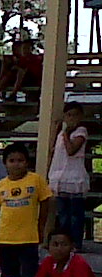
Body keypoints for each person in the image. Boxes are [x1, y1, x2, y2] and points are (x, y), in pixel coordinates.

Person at [0, 142, 53, 277]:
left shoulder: (36, 180)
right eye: (12, 161)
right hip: (5, 238)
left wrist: (42, 227)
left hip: (28, 236)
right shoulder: (0, 185)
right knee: (8, 274)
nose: (16, 164)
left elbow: (46, 203)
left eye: (20, 160)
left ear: (27, 162)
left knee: (29, 273)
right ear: (5, 163)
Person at [48, 101, 91, 249]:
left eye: (75, 115)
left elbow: (71, 150)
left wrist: (66, 134)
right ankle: (63, 243)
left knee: (75, 215)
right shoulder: (61, 133)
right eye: (68, 115)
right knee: (63, 215)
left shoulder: (81, 132)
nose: (71, 118)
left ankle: (76, 243)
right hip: (61, 176)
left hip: (74, 178)